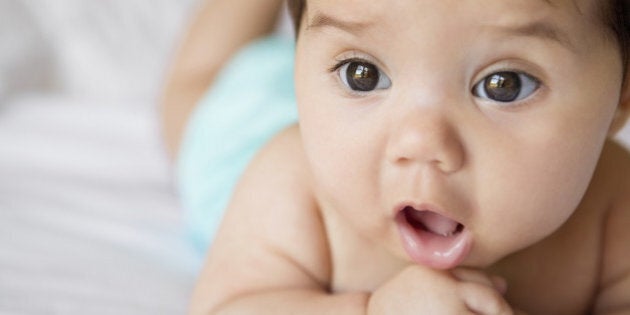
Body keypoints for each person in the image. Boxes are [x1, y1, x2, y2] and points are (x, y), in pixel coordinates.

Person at [163, 0, 630, 314]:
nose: (421, 143)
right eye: (361, 74)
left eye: (503, 84)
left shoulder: (614, 201)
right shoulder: (288, 184)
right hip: (246, 130)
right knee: (195, 93)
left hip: (339, 116)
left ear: (620, 100)